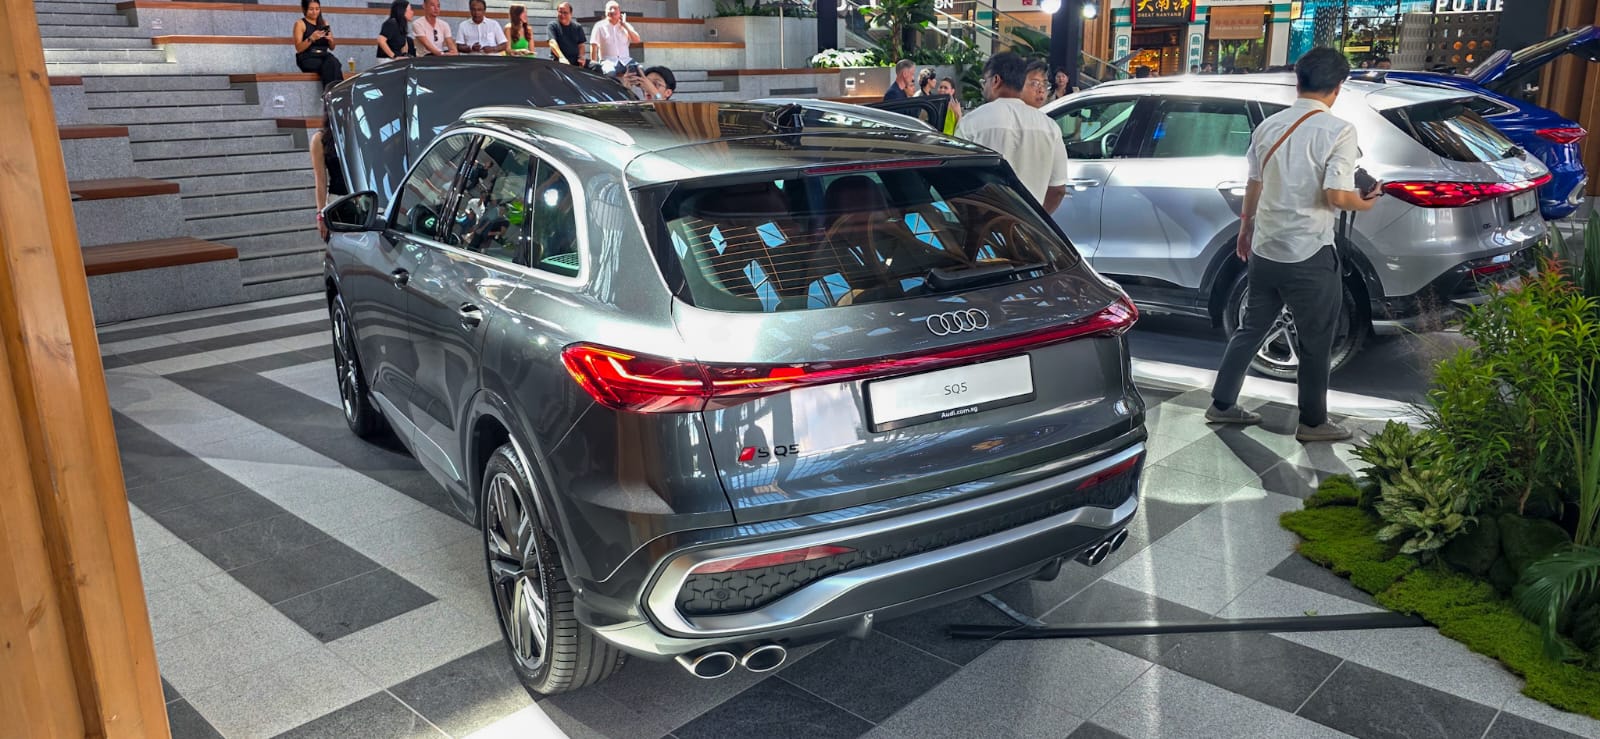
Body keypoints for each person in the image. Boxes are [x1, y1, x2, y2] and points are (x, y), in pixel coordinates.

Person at [1206, 47, 1380, 443]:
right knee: (1316, 340)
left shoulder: (1268, 126)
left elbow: (1254, 182)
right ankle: (1313, 423)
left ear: (1298, 82)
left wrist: (1246, 229)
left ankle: (1222, 404)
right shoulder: (1338, 130)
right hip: (1309, 254)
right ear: (1338, 87)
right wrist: (1367, 201)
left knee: (1250, 329)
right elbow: (1337, 195)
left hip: (1266, 249)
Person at [953, 52, 1069, 213]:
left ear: (995, 80)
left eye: (984, 82)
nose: (983, 88)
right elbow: (1058, 190)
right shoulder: (1050, 127)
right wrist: (1035, 220)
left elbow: (957, 182)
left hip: (982, 224)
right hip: (1028, 225)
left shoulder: (971, 123)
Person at [292, 0, 343, 89]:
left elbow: (332, 47)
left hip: (324, 55)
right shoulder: (300, 24)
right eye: (311, 9)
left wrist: (331, 40)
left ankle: (331, 92)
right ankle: (335, 92)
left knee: (333, 62)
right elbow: (298, 48)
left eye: (317, 9)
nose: (315, 12)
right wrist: (311, 38)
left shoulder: (324, 23)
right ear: (304, 9)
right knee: (332, 63)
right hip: (307, 57)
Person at [592, 1, 641, 72]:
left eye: (615, 8)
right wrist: (593, 65)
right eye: (610, 8)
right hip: (608, 61)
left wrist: (625, 25)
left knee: (641, 70)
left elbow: (637, 40)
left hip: (626, 61)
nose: (612, 11)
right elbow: (594, 46)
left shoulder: (625, 25)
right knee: (610, 72)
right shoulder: (599, 26)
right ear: (605, 11)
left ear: (619, 12)